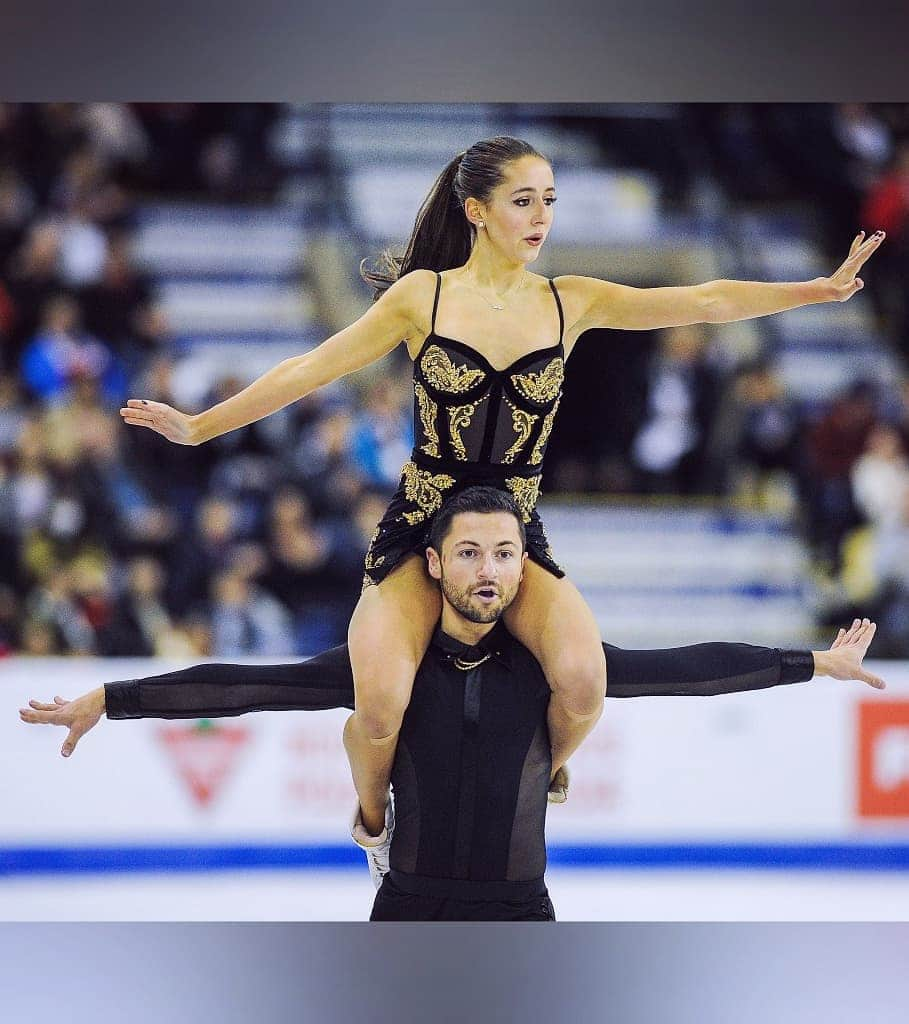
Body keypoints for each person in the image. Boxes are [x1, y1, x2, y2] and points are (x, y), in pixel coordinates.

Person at [115, 136, 886, 838]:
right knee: (378, 703)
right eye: (524, 200)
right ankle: (373, 822)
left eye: (549, 200)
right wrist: (198, 426)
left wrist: (814, 291)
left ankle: (543, 769)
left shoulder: (569, 300)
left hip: (511, 529)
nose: (541, 216)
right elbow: (309, 369)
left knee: (584, 682)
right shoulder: (423, 297)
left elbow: (706, 300)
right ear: (476, 211)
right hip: (423, 520)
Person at [20, 487, 885, 920]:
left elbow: (685, 668)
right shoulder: (389, 667)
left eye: (504, 555)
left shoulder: (546, 667)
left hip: (520, 910)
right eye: (468, 553)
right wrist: (112, 697)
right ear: (433, 564)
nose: (488, 571)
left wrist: (810, 662)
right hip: (407, 909)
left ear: (524, 566)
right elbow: (247, 685)